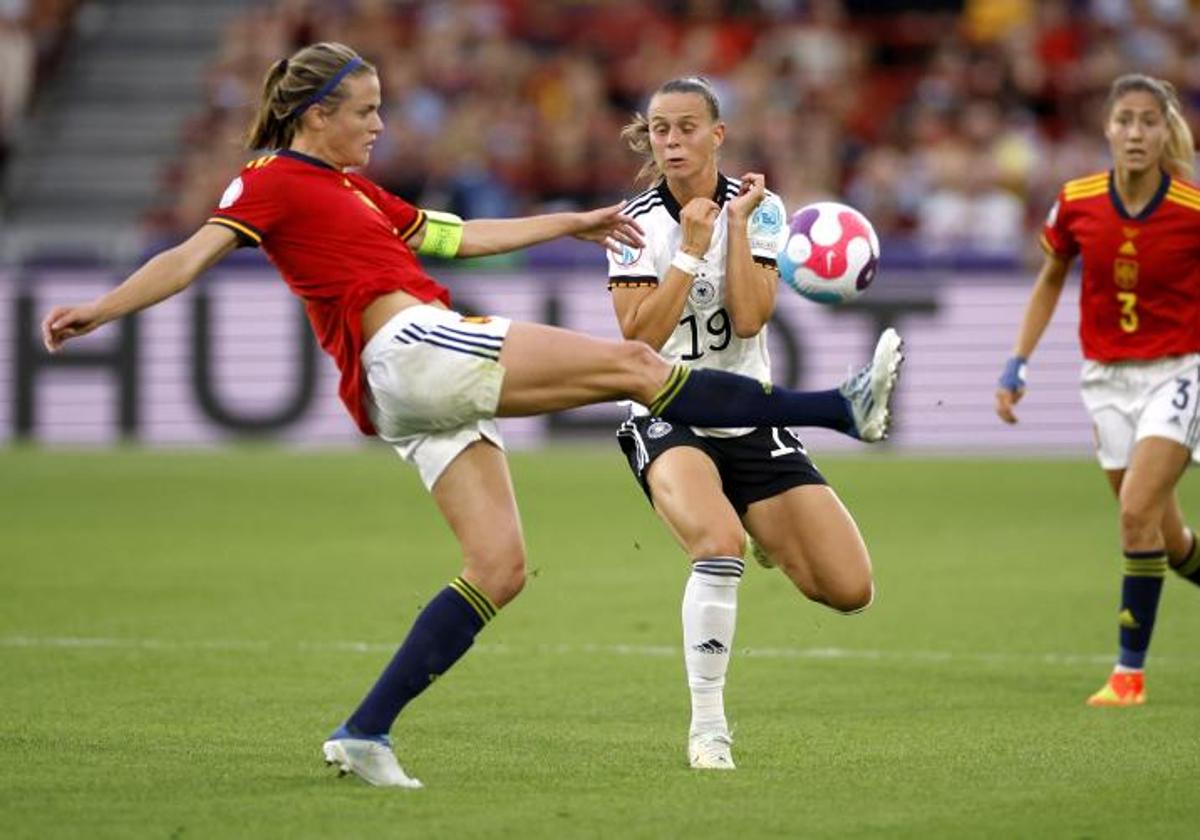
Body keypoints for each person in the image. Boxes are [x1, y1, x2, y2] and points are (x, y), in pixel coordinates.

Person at [42, 43, 903, 789]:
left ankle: (364, 732)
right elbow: (191, 253)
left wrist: (574, 220)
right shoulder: (272, 180)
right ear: (314, 115)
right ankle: (836, 405)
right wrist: (103, 308)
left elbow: (454, 237)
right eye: (366, 112)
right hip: (415, 344)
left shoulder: (357, 194)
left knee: (498, 566)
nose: (379, 126)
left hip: (403, 399)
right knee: (639, 366)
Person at [607, 77, 903, 770]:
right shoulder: (633, 224)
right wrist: (687, 249)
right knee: (718, 543)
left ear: (717, 135)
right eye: (660, 130)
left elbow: (748, 318)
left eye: (686, 128)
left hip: (750, 413)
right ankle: (709, 728)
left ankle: (758, 520)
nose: (672, 141)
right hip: (665, 412)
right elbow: (637, 339)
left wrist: (734, 228)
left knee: (849, 590)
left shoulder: (762, 209)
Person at [996, 73, 1200, 707]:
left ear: (1165, 130)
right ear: (1107, 129)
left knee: (1135, 510)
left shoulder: (1193, 209)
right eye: (1125, 121)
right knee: (1167, 541)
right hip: (1106, 380)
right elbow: (1051, 279)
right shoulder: (1077, 201)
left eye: (1148, 121)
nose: (1136, 132)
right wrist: (1017, 362)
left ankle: (1128, 676)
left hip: (1181, 371)